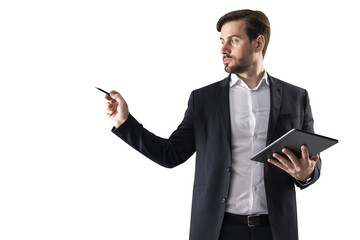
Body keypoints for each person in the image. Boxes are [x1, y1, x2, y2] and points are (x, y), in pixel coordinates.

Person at [104, 9, 321, 240]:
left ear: (258, 43)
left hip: (275, 231)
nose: (223, 49)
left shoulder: (296, 97)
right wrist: (125, 122)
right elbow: (171, 154)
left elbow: (312, 163)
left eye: (233, 41)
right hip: (218, 231)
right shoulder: (204, 100)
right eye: (222, 41)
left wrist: (306, 173)